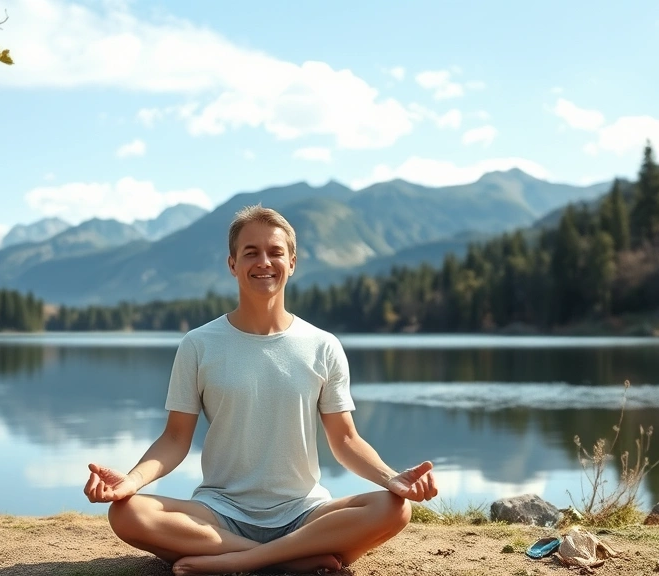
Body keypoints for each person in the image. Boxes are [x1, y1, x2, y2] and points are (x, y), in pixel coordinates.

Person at [84, 205, 438, 575]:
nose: (264, 262)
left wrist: (390, 478)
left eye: (275, 252)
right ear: (232, 264)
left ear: (293, 263)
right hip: (219, 513)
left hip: (306, 512)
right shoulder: (198, 344)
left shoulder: (323, 345)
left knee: (394, 508)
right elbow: (174, 438)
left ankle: (242, 561)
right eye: (250, 252)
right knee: (127, 513)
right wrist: (131, 480)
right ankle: (294, 560)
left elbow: (346, 440)